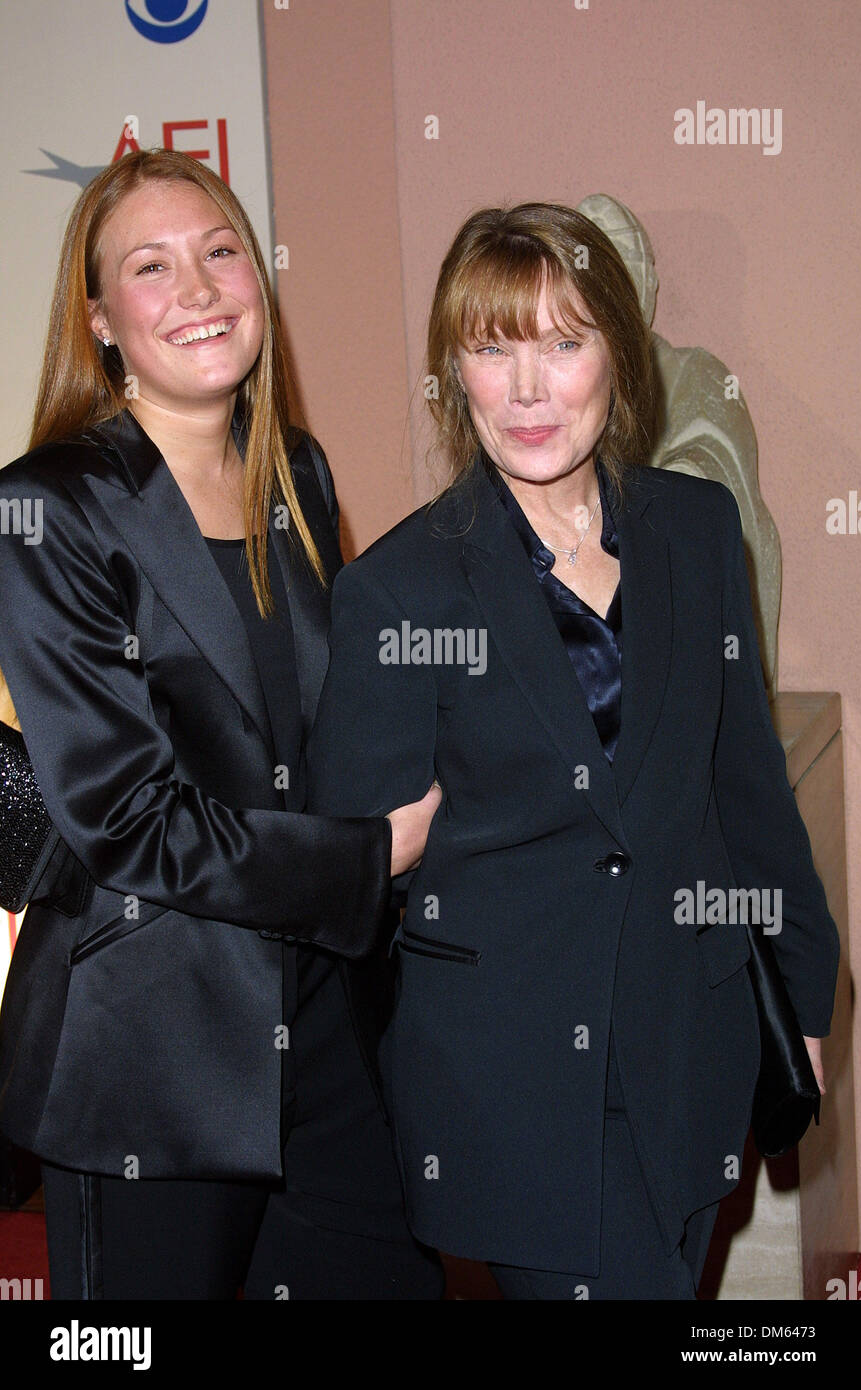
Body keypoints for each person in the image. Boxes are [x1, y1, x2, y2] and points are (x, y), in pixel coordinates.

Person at [307, 202, 840, 1299]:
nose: (528, 389)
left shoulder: (695, 531)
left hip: (692, 1043)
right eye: (492, 348)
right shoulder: (397, 589)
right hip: (515, 1090)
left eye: (563, 342)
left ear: (619, 356)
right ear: (453, 372)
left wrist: (802, 992)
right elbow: (357, 872)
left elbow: (743, 790)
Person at [0, 149, 443, 1300]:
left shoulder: (294, 471)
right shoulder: (45, 507)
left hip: (327, 1018)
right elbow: (126, 817)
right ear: (98, 318)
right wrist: (365, 856)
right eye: (150, 267)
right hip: (155, 1044)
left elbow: (331, 725)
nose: (197, 290)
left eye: (219, 252)